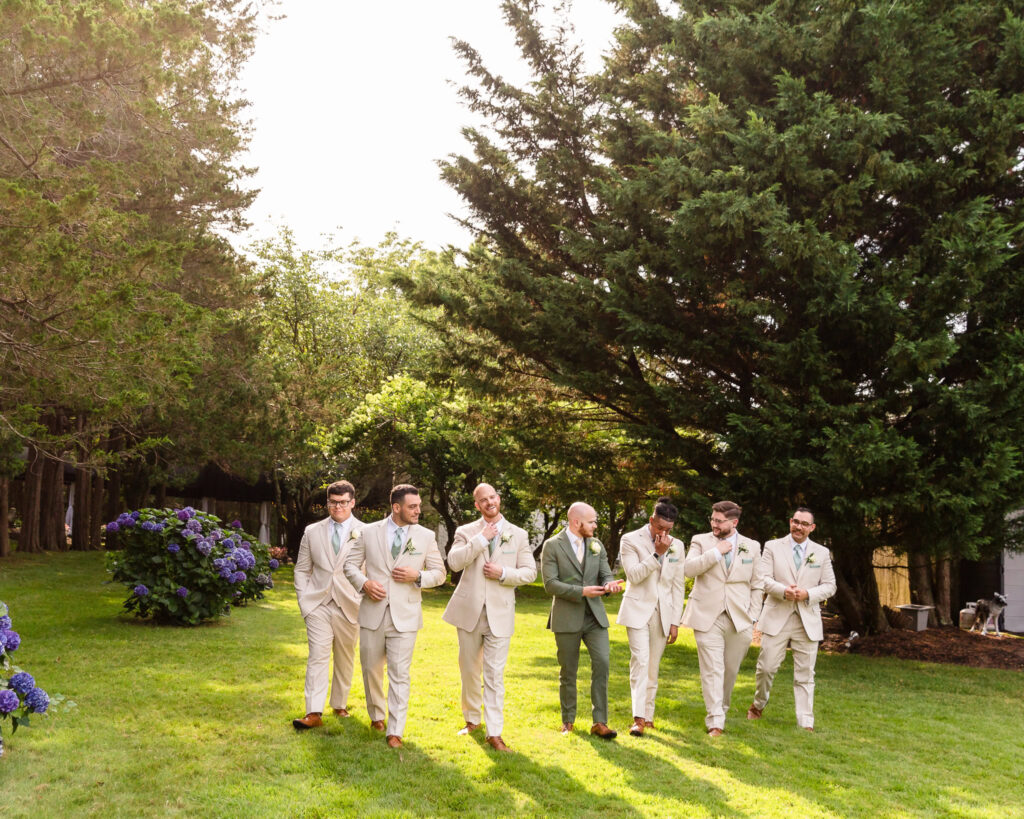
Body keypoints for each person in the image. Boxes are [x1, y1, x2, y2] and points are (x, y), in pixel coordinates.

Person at [343, 484, 446, 748]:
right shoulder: (368, 532)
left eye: (419, 505)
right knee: (371, 670)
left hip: (406, 615)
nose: (418, 511)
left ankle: (395, 731)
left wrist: (418, 576)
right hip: (372, 613)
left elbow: (440, 573)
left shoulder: (425, 536)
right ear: (396, 507)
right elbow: (350, 566)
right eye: (413, 506)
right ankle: (377, 715)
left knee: (400, 673)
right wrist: (364, 584)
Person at [442, 483, 537, 753]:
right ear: (477, 505)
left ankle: (495, 733)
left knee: (494, 675)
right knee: (469, 670)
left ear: (499, 498)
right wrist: (481, 539)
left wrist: (504, 573)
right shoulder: (466, 531)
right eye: (483, 500)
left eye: (492, 497)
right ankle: (472, 720)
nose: (489, 502)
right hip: (468, 612)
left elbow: (530, 573)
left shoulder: (518, 534)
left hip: (500, 613)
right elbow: (454, 562)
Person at [747, 507, 836, 731]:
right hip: (777, 614)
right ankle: (758, 704)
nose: (799, 527)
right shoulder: (773, 546)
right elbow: (763, 578)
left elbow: (830, 586)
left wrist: (808, 594)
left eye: (804, 524)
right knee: (766, 667)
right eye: (796, 522)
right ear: (790, 522)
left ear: (812, 528)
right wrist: (783, 590)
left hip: (807, 619)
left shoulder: (822, 552)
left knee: (806, 673)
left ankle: (805, 721)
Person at [541, 502, 623, 739]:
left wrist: (609, 585)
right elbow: (550, 584)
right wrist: (581, 591)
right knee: (568, 671)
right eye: (592, 521)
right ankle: (568, 721)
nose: (596, 525)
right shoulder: (552, 546)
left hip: (595, 618)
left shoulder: (596, 545)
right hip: (566, 617)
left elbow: (606, 573)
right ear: (577, 523)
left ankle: (600, 722)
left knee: (603, 664)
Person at [681, 500, 763, 736]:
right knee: (712, 668)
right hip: (707, 614)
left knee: (730, 669)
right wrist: (716, 552)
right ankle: (715, 720)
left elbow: (758, 584)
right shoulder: (701, 541)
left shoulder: (752, 546)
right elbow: (688, 569)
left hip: (740, 616)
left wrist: (753, 614)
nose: (714, 524)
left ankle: (722, 707)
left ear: (734, 522)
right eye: (712, 519)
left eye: (719, 521)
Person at [292, 480, 364, 730]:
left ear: (352, 502)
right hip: (318, 603)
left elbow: (370, 570)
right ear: (327, 503)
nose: (338, 507)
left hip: (350, 603)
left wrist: (362, 598)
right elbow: (302, 569)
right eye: (333, 502)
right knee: (318, 655)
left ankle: (339, 703)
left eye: (343, 502)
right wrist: (304, 599)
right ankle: (313, 711)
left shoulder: (366, 531)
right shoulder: (312, 531)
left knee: (345, 656)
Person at [616, 496, 686, 737]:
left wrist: (675, 620)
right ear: (651, 520)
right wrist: (656, 554)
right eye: (660, 528)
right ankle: (638, 718)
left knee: (653, 666)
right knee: (641, 661)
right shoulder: (630, 540)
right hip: (637, 610)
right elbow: (634, 576)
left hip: (663, 614)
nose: (664, 533)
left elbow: (678, 586)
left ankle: (649, 716)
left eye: (668, 529)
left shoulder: (678, 545)